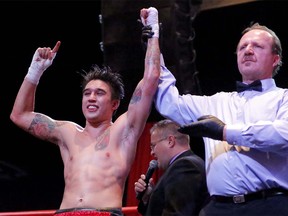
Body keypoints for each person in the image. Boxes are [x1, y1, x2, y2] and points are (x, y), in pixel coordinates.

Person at [10, 7, 160, 216]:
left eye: (99, 93)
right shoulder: (67, 133)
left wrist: (153, 30)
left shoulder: (123, 130)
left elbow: (152, 78)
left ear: (115, 104)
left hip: (104, 212)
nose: (91, 97)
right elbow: (19, 115)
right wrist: (34, 72)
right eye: (87, 93)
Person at [146, 16, 288, 215]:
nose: (247, 50)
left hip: (269, 205)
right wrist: (153, 44)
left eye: (257, 46)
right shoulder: (216, 102)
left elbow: (283, 134)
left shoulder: (284, 98)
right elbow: (168, 102)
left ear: (275, 59)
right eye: (242, 47)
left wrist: (225, 131)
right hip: (218, 208)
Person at [134, 119, 209, 216]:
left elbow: (177, 213)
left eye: (153, 146)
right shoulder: (184, 165)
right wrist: (148, 198)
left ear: (170, 141)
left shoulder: (185, 166)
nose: (152, 152)